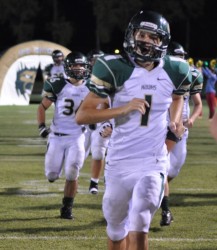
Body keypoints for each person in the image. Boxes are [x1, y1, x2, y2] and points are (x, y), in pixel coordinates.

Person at [75, 10, 191, 250]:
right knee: (116, 228)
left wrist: (174, 121)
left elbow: (178, 97)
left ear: (162, 42)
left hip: (152, 160)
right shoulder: (114, 67)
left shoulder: (176, 69)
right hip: (119, 161)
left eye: (153, 37)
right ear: (132, 35)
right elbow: (83, 115)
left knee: (141, 215)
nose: (146, 41)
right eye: (142, 34)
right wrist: (123, 109)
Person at [37, 51, 91, 219]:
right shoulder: (59, 84)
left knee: (72, 172)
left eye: (82, 65)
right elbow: (42, 107)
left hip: (77, 136)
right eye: (75, 65)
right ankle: (53, 166)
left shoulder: (91, 86)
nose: (79, 69)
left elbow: (103, 106)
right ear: (68, 67)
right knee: (52, 175)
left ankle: (67, 208)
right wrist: (41, 127)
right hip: (57, 135)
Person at [160, 41, 203, 226]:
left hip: (181, 129)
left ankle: (156, 190)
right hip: (162, 127)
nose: (180, 60)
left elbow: (198, 103)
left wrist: (192, 118)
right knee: (162, 167)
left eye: (181, 57)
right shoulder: (159, 75)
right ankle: (165, 210)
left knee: (174, 169)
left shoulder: (191, 74)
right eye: (176, 56)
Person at [84, 49, 112, 194]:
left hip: (102, 121)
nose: (96, 65)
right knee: (79, 157)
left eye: (98, 62)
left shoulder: (109, 79)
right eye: (93, 62)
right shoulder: (83, 81)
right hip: (84, 124)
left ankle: (95, 182)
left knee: (99, 153)